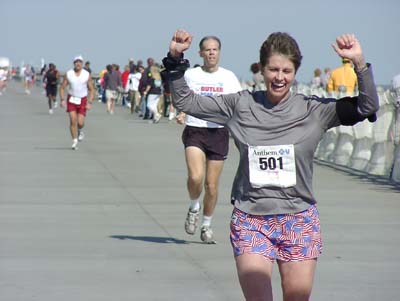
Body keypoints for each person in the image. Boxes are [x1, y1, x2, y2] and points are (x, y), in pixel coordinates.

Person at [164, 29, 378, 300]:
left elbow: (367, 107)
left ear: (295, 71)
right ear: (262, 70)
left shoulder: (314, 110)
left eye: (287, 71)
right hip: (251, 219)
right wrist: (175, 57)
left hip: (298, 219)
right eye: (273, 69)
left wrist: (359, 63)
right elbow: (185, 101)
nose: (280, 77)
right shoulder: (240, 105)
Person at [174, 35, 242, 244]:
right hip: (195, 129)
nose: (211, 53)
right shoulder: (191, 74)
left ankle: (206, 224)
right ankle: (194, 207)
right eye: (208, 50)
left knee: (211, 186)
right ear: (201, 53)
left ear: (219, 52)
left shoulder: (229, 77)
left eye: (215, 49)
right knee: (196, 177)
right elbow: (180, 95)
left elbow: (238, 105)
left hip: (218, 132)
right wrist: (181, 111)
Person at [59, 56, 94, 150]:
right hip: (71, 99)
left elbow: (91, 89)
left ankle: (80, 130)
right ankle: (74, 140)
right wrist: (62, 99)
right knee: (73, 120)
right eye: (76, 62)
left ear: (82, 64)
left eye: (80, 62)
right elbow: (62, 87)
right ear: (73, 63)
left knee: (80, 122)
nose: (78, 64)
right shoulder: (69, 74)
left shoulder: (86, 74)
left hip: (82, 100)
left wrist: (90, 102)